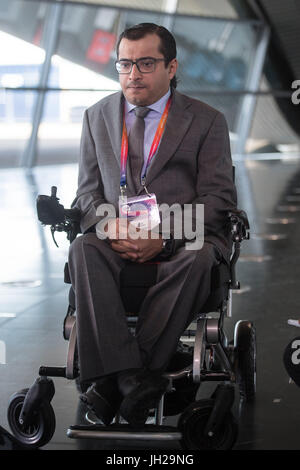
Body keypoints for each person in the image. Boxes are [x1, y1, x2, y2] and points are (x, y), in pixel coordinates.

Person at [68, 22, 237, 426]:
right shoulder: (96, 118)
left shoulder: (207, 120)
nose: (133, 74)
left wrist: (162, 238)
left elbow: (218, 200)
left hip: (183, 238)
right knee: (82, 249)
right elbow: (87, 195)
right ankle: (134, 378)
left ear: (171, 66)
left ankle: (115, 379)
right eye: (124, 64)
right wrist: (110, 229)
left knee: (199, 258)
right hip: (118, 236)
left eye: (146, 63)